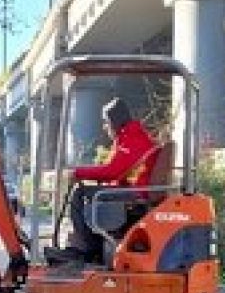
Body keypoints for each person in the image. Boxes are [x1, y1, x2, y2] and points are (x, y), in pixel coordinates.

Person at [47, 97, 157, 265]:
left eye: (106, 122)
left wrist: (78, 173)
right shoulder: (131, 137)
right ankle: (91, 245)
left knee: (80, 192)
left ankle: (85, 249)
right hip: (134, 190)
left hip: (135, 193)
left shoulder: (132, 139)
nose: (105, 127)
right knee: (91, 192)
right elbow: (121, 172)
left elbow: (113, 171)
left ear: (115, 121)